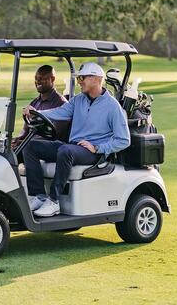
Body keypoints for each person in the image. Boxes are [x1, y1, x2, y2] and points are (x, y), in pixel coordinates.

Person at [22, 62, 130, 217]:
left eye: (82, 78)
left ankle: (53, 201)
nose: (79, 82)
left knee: (65, 150)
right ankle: (39, 195)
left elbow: (124, 140)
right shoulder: (78, 100)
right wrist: (36, 112)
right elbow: (59, 112)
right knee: (30, 147)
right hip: (73, 147)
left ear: (95, 79)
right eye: (79, 78)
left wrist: (98, 148)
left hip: (92, 152)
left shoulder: (112, 106)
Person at [12, 65, 69, 156]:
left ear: (52, 79)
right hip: (31, 144)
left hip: (51, 147)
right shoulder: (35, 102)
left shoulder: (61, 104)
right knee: (2, 149)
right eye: (36, 78)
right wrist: (17, 139)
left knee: (17, 152)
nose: (38, 82)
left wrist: (24, 142)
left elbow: (54, 135)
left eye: (42, 78)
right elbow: (25, 130)